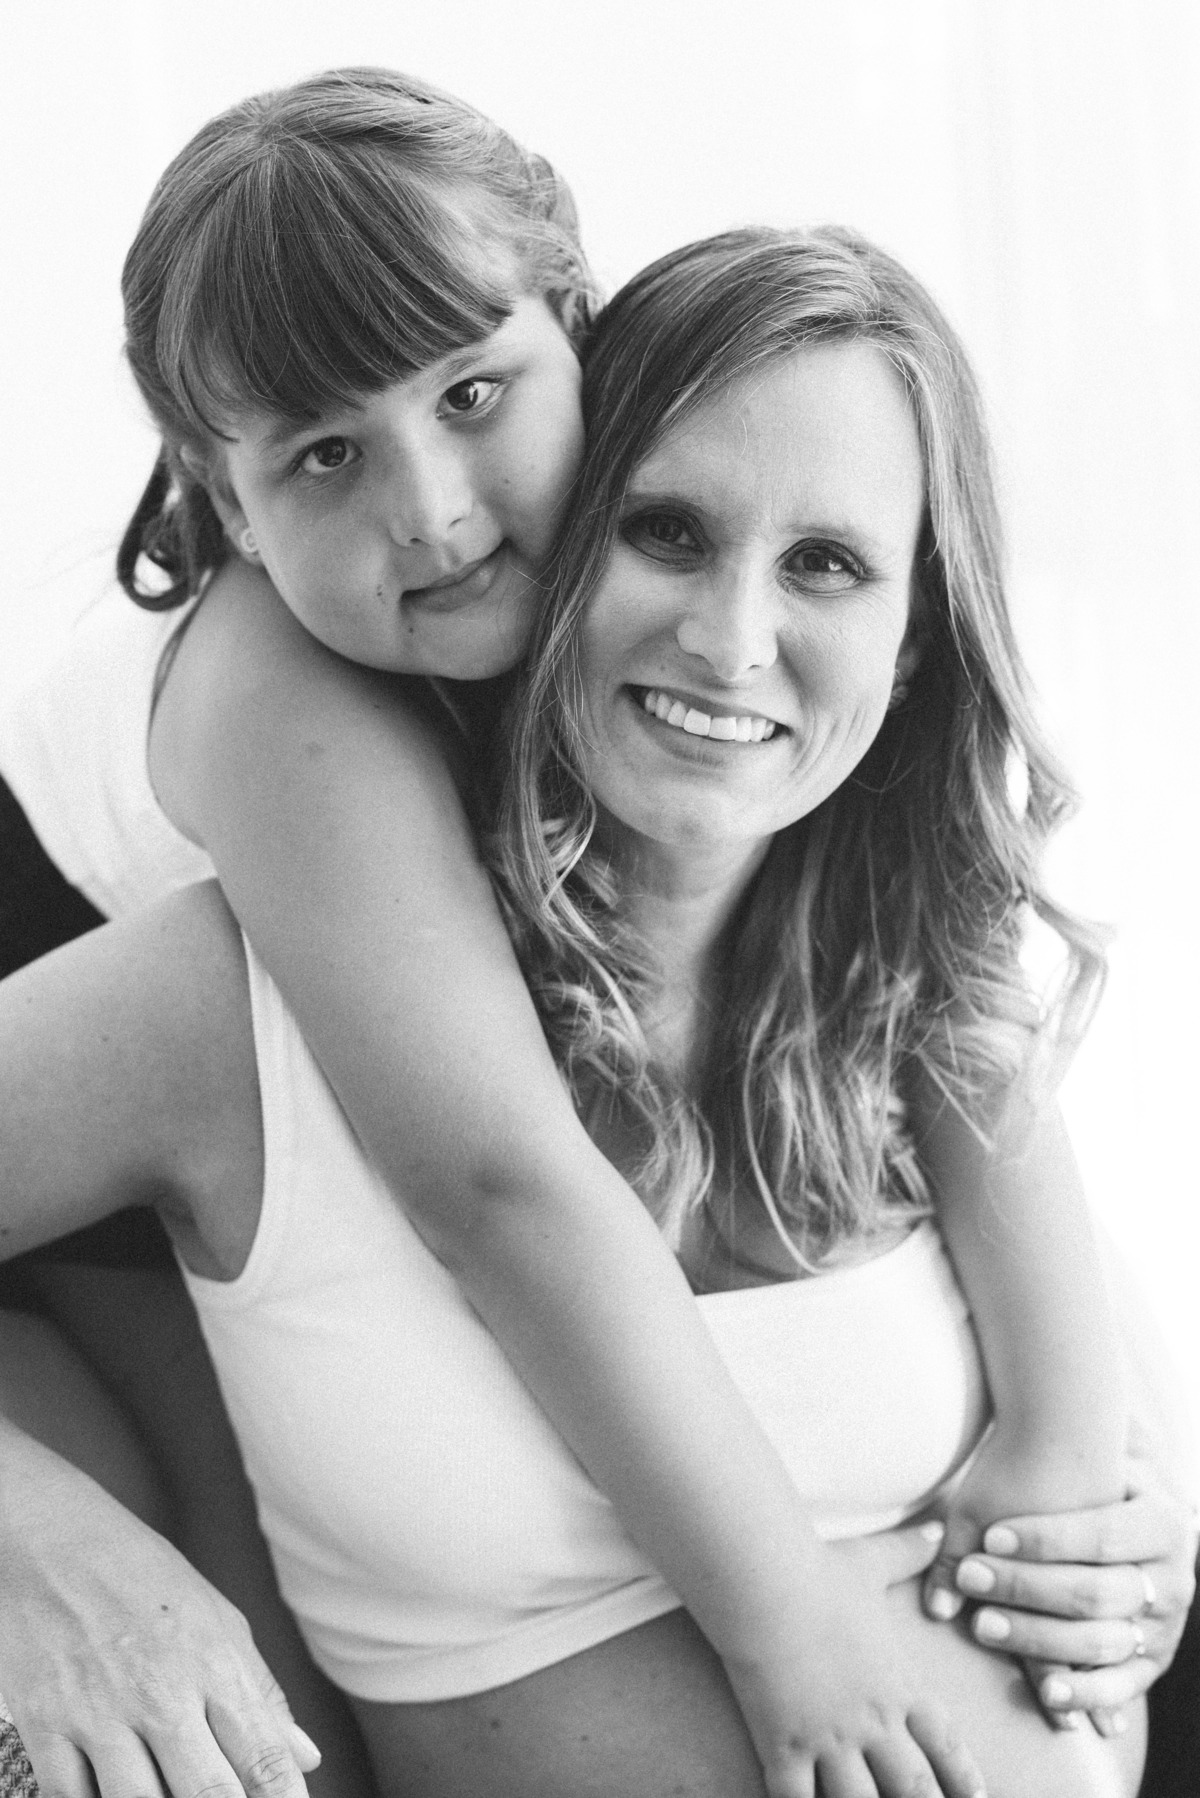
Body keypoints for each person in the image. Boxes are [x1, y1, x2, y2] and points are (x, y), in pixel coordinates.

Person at [1, 224, 1194, 1798]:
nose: (731, 638)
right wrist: (30, 1534)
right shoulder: (245, 996)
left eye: (828, 564)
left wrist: (1132, 1529)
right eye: (666, 531)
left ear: (914, 641)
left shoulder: (923, 993)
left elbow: (1105, 1482)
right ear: (558, 546)